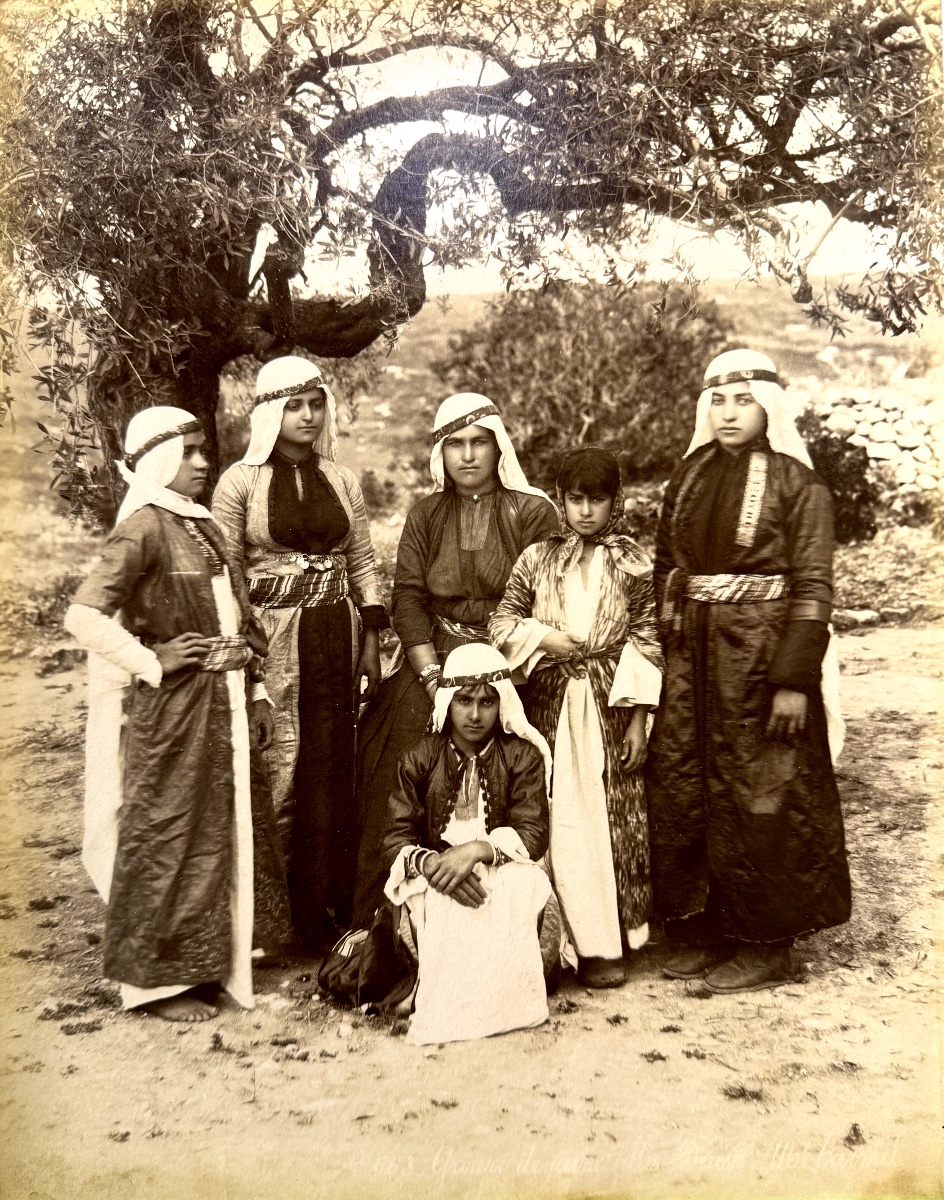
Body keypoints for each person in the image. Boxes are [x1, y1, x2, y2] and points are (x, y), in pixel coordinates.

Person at [64, 407, 289, 1021]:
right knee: (168, 835)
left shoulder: (203, 525)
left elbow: (236, 618)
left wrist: (261, 693)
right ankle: (157, 984)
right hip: (176, 711)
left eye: (202, 450)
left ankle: (211, 967)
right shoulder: (142, 527)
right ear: (161, 458)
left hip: (229, 702)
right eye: (189, 452)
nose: (202, 461)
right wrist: (150, 658)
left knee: (218, 834)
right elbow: (82, 617)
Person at [645, 347, 851, 994]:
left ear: (769, 405)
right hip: (694, 655)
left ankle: (768, 943)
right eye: (718, 400)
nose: (729, 412)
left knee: (763, 789)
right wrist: (672, 619)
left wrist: (794, 678)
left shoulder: (799, 485)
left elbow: (814, 586)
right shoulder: (690, 476)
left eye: (743, 399)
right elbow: (661, 565)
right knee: (689, 782)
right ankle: (714, 928)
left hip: (762, 659)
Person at [351, 393, 558, 926]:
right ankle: (387, 915)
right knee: (396, 749)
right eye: (454, 445)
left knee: (526, 756)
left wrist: (500, 673)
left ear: (498, 447)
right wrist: (431, 677)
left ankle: (523, 911)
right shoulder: (426, 514)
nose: (467, 456)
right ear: (440, 455)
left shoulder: (532, 511)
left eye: (478, 443)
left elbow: (545, 599)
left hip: (513, 663)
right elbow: (408, 599)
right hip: (435, 661)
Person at [212, 356, 388, 954]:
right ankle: (273, 918)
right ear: (268, 413)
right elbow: (227, 572)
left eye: (316, 403)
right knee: (279, 765)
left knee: (332, 765)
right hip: (274, 642)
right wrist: (248, 659)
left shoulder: (340, 479)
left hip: (335, 636)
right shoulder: (239, 483)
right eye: (294, 406)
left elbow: (362, 560)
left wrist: (370, 639)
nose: (308, 416)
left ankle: (325, 911)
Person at [489, 447, 663, 988]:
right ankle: (558, 941)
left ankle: (608, 944)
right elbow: (502, 620)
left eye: (598, 499)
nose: (586, 511)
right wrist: (545, 637)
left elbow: (647, 637)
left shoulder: (632, 562)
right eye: (576, 499)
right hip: (551, 705)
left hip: (611, 706)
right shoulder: (538, 558)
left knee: (609, 821)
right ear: (561, 501)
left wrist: (637, 719)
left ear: (617, 501)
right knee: (558, 817)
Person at [382, 643, 553, 1044]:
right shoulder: (419, 758)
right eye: (463, 701)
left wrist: (475, 851)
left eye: (486, 702)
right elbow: (394, 837)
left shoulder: (523, 757)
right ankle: (441, 994)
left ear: (502, 704)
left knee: (518, 887)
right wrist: (433, 866)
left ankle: (501, 1001)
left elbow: (532, 834)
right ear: (447, 701)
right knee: (436, 899)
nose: (475, 715)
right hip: (437, 874)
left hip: (501, 867)